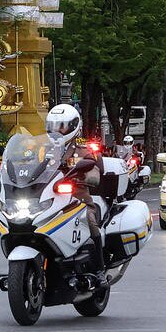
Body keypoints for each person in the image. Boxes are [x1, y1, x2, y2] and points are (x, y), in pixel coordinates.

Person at [47, 103, 106, 283]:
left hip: (78, 200)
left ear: (74, 127)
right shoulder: (42, 150)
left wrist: (84, 176)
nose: (57, 130)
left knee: (89, 221)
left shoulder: (85, 151)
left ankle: (99, 269)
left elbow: (95, 175)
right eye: (53, 126)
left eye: (62, 126)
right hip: (48, 200)